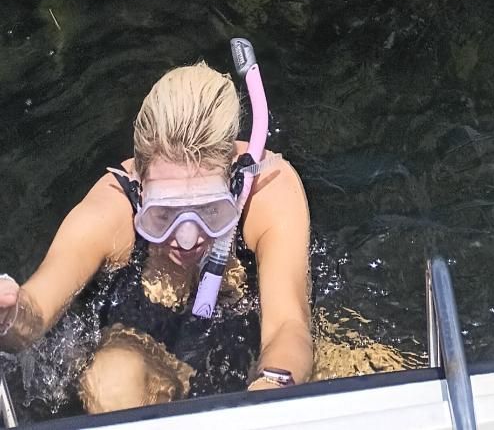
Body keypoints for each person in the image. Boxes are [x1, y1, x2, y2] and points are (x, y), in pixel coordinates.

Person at [0, 59, 311, 412]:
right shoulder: (110, 210)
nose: (188, 239)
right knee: (110, 377)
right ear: (140, 188)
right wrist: (8, 316)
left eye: (209, 210)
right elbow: (37, 308)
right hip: (140, 349)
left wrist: (271, 389)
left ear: (232, 180)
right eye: (164, 214)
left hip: (248, 354)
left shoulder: (267, 191)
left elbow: (288, 324)